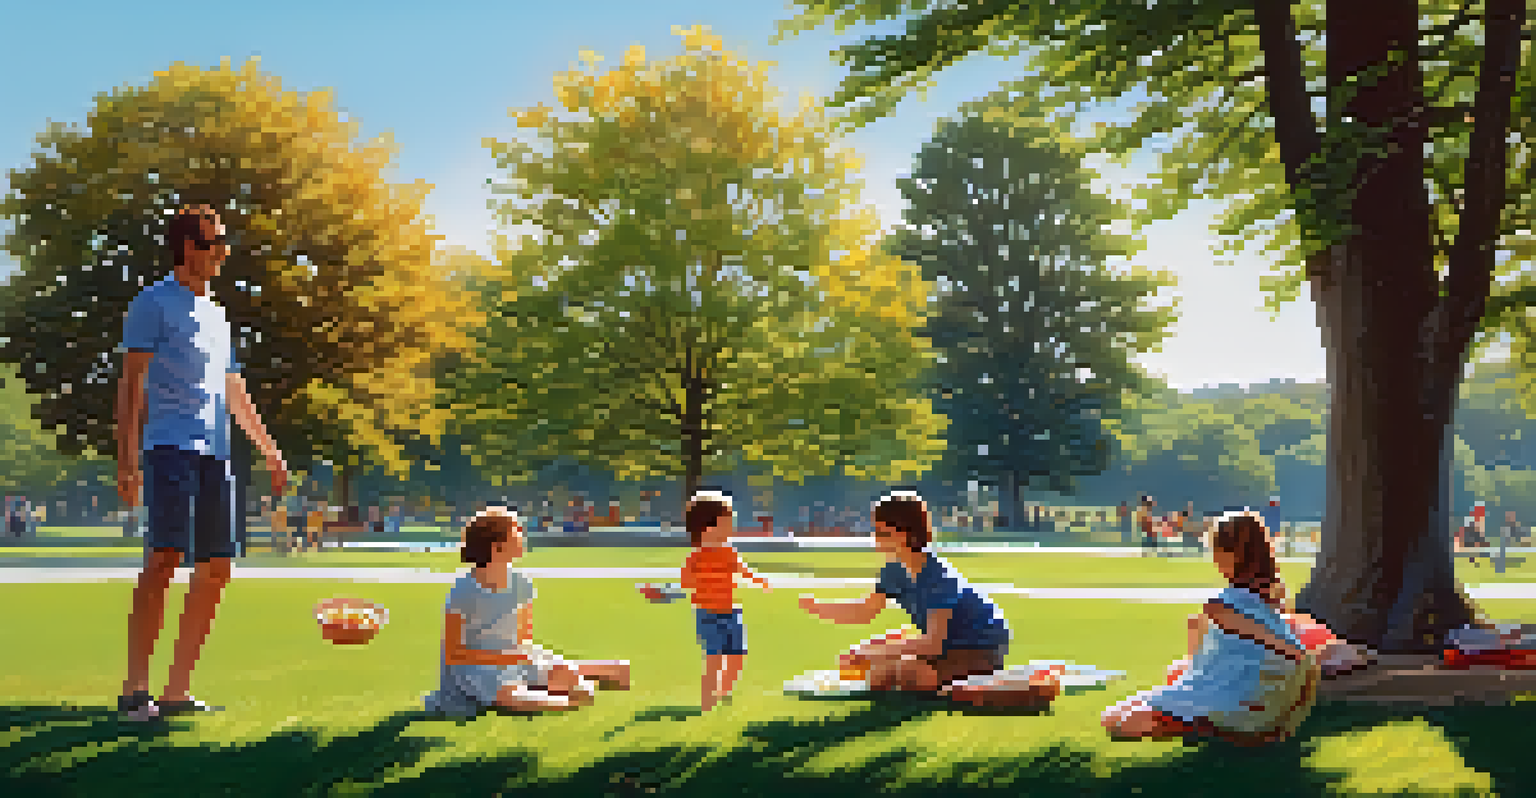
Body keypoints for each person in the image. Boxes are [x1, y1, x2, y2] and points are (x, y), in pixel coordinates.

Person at [117, 204, 288, 721]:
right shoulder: (152, 304)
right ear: (190, 248)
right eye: (216, 244)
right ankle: (134, 690)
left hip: (217, 455)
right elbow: (131, 387)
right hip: (169, 448)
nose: (223, 253)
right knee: (165, 559)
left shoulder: (218, 314)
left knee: (216, 568)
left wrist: (268, 447)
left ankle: (176, 692)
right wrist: (128, 463)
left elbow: (234, 390)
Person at [1101, 513, 1320, 744]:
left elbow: (1297, 655)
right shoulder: (1269, 597)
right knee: (1117, 715)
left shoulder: (1222, 606)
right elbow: (1295, 658)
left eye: (1215, 550)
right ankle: (1208, 727)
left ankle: (1209, 729)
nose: (1213, 558)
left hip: (1239, 704)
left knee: (1119, 722)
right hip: (1249, 699)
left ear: (1232, 554)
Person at [424, 507, 630, 718]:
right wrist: (502, 658)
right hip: (475, 667)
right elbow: (453, 653)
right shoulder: (464, 590)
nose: (522, 538)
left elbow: (524, 639)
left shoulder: (522, 585)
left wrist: (524, 660)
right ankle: (555, 698)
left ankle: (555, 689)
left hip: (515, 658)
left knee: (573, 681)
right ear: (497, 547)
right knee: (512, 694)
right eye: (516, 533)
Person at [800, 490, 1011, 695]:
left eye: (883, 532)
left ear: (906, 534)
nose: (876, 538)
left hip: (980, 647)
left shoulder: (937, 575)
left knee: (908, 674)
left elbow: (932, 644)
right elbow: (866, 611)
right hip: (945, 644)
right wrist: (818, 607)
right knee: (877, 675)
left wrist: (872, 653)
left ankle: (969, 676)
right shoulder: (893, 571)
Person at [680, 489, 773, 710]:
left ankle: (723, 692)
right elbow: (685, 582)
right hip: (707, 614)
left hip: (732, 612)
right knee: (713, 657)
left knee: (737, 655)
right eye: (727, 522)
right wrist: (701, 581)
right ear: (706, 527)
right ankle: (707, 700)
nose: (731, 528)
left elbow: (744, 569)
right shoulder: (696, 556)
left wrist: (759, 580)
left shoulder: (729, 552)